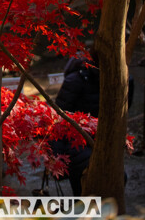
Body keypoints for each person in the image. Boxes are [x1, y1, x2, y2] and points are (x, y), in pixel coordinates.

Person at [51, 49, 134, 195]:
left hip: (105, 141)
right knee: (85, 191)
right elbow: (59, 120)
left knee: (118, 180)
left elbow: (124, 110)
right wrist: (57, 158)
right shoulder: (76, 81)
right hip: (76, 144)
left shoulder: (118, 80)